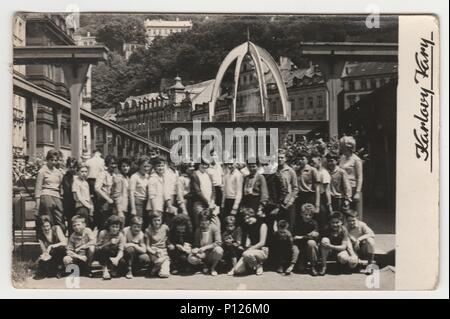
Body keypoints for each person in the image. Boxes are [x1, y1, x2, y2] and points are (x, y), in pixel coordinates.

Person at [229, 208, 268, 276]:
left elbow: (262, 242)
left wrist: (250, 249)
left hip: (261, 251)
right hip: (248, 252)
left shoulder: (262, 225)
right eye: (245, 219)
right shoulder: (247, 225)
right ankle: (251, 266)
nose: (246, 221)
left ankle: (258, 265)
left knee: (246, 254)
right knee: (237, 270)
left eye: (248, 218)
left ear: (253, 216)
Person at [35, 149, 65, 233]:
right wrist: (37, 204)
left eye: (55, 160)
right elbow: (38, 188)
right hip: (46, 195)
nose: (54, 162)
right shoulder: (42, 171)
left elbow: (62, 186)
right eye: (51, 160)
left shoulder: (59, 172)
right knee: (48, 219)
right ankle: (49, 239)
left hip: (57, 196)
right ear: (47, 159)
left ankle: (60, 239)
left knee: (60, 219)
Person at [189, 210, 223, 276]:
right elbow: (196, 245)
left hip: (212, 253)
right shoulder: (198, 230)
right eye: (202, 220)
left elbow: (218, 242)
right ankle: (204, 266)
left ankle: (213, 268)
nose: (204, 222)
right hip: (202, 254)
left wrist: (205, 247)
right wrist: (195, 250)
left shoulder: (214, 228)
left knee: (219, 250)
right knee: (191, 258)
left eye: (206, 220)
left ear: (210, 221)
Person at [34, 215, 67, 279]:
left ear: (50, 225)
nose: (46, 228)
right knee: (42, 264)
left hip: (61, 252)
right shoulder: (40, 235)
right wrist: (43, 256)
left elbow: (64, 243)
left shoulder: (56, 228)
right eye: (44, 226)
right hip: (51, 254)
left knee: (60, 250)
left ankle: (60, 269)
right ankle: (53, 270)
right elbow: (44, 250)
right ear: (41, 227)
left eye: (47, 226)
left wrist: (51, 246)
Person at [95, 215, 125, 280]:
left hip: (114, 255)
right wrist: (108, 243)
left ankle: (113, 268)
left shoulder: (120, 235)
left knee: (122, 261)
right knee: (106, 248)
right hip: (103, 254)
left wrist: (117, 259)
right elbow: (97, 248)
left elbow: (121, 250)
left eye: (117, 227)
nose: (115, 229)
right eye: (113, 226)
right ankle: (105, 270)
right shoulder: (103, 233)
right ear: (109, 226)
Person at [293, 203, 320, 276]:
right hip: (300, 247)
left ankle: (313, 266)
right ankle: (300, 262)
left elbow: (315, 236)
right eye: (306, 214)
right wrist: (308, 235)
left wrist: (302, 237)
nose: (308, 217)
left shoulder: (314, 223)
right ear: (302, 214)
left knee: (311, 243)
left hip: (310, 248)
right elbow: (295, 237)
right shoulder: (298, 223)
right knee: (300, 269)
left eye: (310, 215)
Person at [339, 136, 363, 216]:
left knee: (352, 213)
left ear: (348, 147)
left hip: (352, 188)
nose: (341, 148)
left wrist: (357, 192)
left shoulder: (356, 160)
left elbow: (360, 177)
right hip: (342, 188)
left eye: (342, 146)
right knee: (343, 211)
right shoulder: (342, 158)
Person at [277, 150, 298, 232]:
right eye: (278, 158)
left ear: (285, 159)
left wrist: (289, 201)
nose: (280, 159)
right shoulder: (275, 170)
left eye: (282, 157)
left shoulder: (290, 171)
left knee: (289, 225)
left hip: (289, 201)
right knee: (279, 224)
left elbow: (295, 188)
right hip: (279, 202)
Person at [191, 160, 217, 229]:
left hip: (210, 205)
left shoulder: (209, 175)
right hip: (200, 204)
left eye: (206, 164)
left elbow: (213, 190)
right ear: (198, 164)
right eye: (202, 164)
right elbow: (198, 192)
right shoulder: (195, 175)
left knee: (211, 225)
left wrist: (212, 201)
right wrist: (208, 202)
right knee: (200, 225)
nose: (204, 166)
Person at [94, 155, 117, 230]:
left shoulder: (114, 175)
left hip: (112, 203)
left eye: (115, 164)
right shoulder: (103, 174)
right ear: (107, 164)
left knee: (111, 224)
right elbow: (97, 188)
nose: (113, 166)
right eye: (111, 163)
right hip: (103, 202)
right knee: (103, 224)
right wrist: (107, 199)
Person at [145, 211, 170, 278]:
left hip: (163, 251)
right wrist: (154, 252)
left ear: (161, 220)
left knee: (164, 274)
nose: (157, 222)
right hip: (154, 251)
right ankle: (159, 264)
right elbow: (147, 246)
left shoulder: (165, 228)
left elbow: (168, 238)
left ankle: (156, 269)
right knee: (160, 260)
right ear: (151, 221)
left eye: (159, 220)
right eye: (154, 220)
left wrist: (169, 244)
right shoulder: (148, 230)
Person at [311, 153, 332, 231]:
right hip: (315, 198)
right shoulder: (315, 171)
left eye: (314, 162)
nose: (312, 164)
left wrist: (329, 204)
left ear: (319, 160)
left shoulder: (324, 173)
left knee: (322, 220)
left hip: (321, 199)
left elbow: (327, 190)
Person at [147, 157, 171, 226]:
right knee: (152, 227)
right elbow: (151, 195)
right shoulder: (153, 178)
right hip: (153, 207)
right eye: (158, 166)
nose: (161, 168)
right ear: (154, 167)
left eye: (162, 166)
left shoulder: (162, 177)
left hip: (160, 207)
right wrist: (154, 210)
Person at [72, 163, 94, 228]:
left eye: (85, 171)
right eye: (82, 171)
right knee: (82, 226)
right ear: (78, 172)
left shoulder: (86, 182)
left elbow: (88, 196)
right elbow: (78, 197)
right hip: (81, 207)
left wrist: (91, 207)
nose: (84, 173)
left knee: (88, 226)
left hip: (87, 207)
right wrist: (88, 206)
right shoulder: (76, 182)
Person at [129, 157, 151, 223]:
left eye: (148, 166)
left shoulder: (148, 176)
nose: (146, 168)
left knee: (146, 223)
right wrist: (133, 208)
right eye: (144, 166)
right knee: (138, 222)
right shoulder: (134, 177)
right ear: (139, 166)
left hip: (146, 203)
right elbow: (131, 194)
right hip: (138, 203)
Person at [112, 158, 131, 227]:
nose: (126, 168)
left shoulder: (127, 178)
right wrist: (119, 211)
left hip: (125, 207)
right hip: (120, 208)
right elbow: (117, 195)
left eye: (127, 166)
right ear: (120, 167)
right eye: (123, 166)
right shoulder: (119, 178)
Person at [61, 157, 78, 232]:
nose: (72, 169)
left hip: (77, 202)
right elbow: (67, 191)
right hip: (69, 202)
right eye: (71, 167)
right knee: (70, 221)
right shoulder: (66, 177)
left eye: (74, 167)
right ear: (67, 167)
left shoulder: (78, 176)